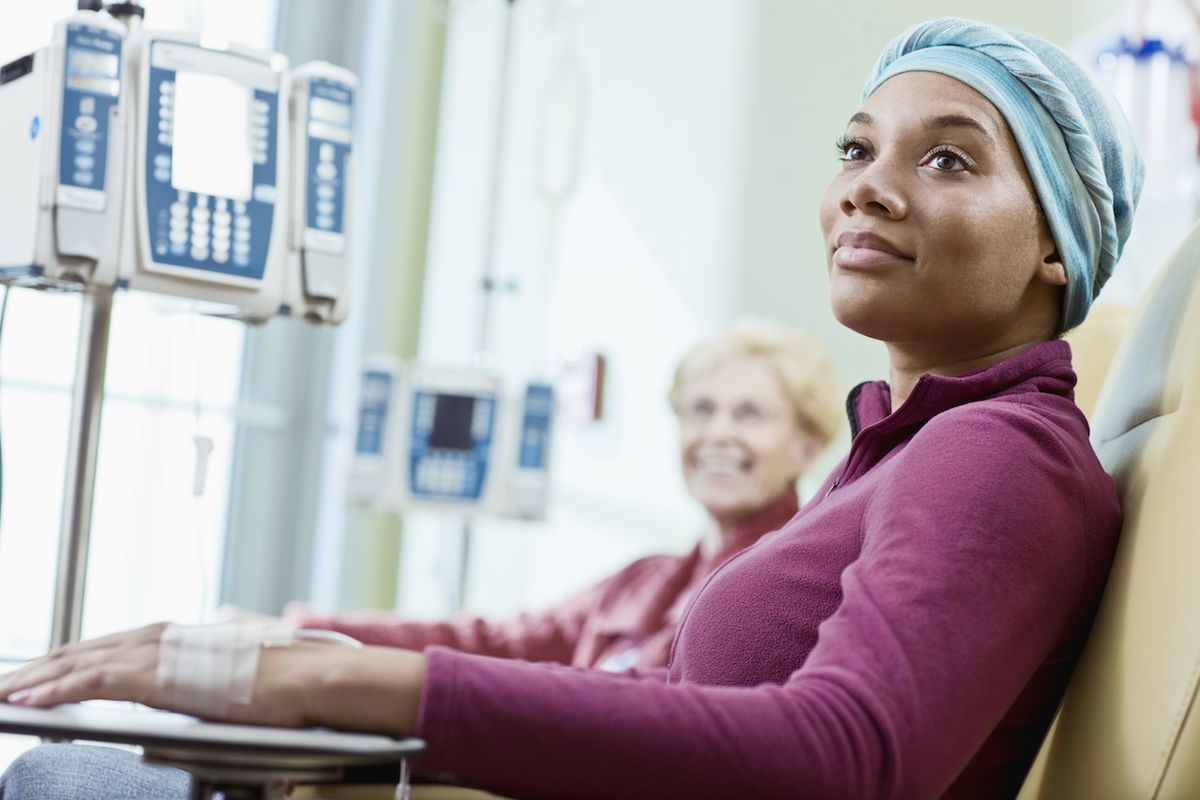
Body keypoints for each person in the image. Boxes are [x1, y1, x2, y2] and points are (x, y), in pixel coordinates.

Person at [0, 16, 1143, 800]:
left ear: (1057, 241)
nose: (867, 183)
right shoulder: (898, 452)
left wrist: (328, 677)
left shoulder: (999, 451)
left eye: (950, 160)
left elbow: (842, 756)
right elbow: (606, 673)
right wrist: (308, 639)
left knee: (64, 778)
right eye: (856, 146)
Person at [280, 320, 841, 672]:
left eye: (750, 414)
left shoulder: (789, 590)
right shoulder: (643, 581)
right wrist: (302, 631)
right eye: (701, 409)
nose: (718, 433)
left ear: (807, 445)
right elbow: (499, 641)